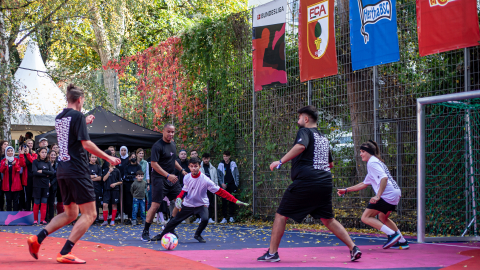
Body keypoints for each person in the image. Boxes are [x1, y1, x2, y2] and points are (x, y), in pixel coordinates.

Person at [27, 84, 121, 264]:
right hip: (77, 170)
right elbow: (86, 144)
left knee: (70, 213)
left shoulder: (60, 117)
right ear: (79, 100)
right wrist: (108, 157)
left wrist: (84, 121)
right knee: (91, 214)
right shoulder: (77, 116)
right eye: (83, 101)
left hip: (62, 170)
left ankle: (36, 239)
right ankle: (65, 251)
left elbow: (68, 132)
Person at [257, 106, 362, 262]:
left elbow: (300, 146)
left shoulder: (304, 132)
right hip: (325, 182)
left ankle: (272, 253)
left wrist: (280, 161)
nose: (298, 120)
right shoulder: (323, 138)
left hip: (307, 181)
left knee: (281, 215)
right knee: (328, 219)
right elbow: (330, 164)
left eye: (299, 117)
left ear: (306, 119)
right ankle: (353, 248)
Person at [150, 157, 249, 243]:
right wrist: (179, 198)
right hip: (188, 204)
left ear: (199, 166)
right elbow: (184, 190)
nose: (194, 168)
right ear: (189, 167)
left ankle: (197, 235)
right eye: (192, 166)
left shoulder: (205, 180)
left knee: (205, 219)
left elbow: (221, 191)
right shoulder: (187, 177)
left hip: (201, 204)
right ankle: (162, 234)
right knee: (174, 221)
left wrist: (235, 200)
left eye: (195, 166)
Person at [337, 140, 407, 249]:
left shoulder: (372, 163)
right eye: (360, 151)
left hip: (387, 195)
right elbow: (364, 184)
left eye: (363, 151)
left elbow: (384, 178)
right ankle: (402, 241)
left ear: (369, 152)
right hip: (395, 193)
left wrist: (378, 195)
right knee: (382, 217)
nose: (360, 154)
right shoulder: (376, 162)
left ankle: (392, 234)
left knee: (365, 217)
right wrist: (346, 190)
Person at [141, 123, 188, 242]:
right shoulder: (157, 146)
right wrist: (167, 175)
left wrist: (182, 170)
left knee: (179, 200)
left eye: (172, 132)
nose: (170, 134)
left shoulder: (173, 144)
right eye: (168, 131)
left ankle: (169, 228)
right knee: (155, 205)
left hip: (172, 179)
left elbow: (173, 161)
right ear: (163, 131)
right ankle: (145, 231)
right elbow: (153, 164)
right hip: (159, 179)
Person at [32, 147, 54, 225]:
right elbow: (34, 173)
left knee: (44, 202)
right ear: (39, 153)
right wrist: (46, 173)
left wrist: (42, 171)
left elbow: (52, 172)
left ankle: (42, 220)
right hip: (37, 185)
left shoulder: (48, 163)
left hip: (45, 185)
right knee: (37, 202)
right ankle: (35, 220)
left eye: (45, 152)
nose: (44, 154)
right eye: (42, 152)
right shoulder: (35, 162)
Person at [217, 151, 239, 223]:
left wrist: (236, 184)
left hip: (232, 185)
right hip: (224, 186)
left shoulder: (233, 164)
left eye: (226, 156)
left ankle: (231, 217)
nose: (225, 158)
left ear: (229, 156)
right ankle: (224, 217)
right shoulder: (220, 165)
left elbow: (236, 174)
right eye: (224, 156)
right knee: (224, 201)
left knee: (232, 201)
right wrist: (222, 184)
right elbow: (219, 175)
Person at [0, 146, 23, 211]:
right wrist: (5, 165)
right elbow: (1, 170)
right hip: (7, 184)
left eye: (11, 151)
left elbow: (19, 170)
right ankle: (8, 216)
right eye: (8, 151)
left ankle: (15, 215)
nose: (10, 152)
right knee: (8, 201)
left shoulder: (17, 160)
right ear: (6, 152)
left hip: (16, 184)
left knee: (16, 201)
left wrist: (15, 165)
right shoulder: (3, 161)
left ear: (13, 152)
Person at [101, 161, 122, 226]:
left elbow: (120, 181)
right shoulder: (106, 170)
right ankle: (105, 221)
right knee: (104, 205)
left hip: (115, 190)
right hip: (107, 190)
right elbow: (103, 179)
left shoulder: (117, 170)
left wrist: (115, 184)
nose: (112, 163)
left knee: (114, 205)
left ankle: (112, 221)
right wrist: (109, 171)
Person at [123, 152, 142, 225]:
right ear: (129, 158)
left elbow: (139, 176)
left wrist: (130, 176)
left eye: (134, 156)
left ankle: (135, 218)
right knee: (128, 203)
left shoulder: (138, 166)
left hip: (137, 187)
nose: (133, 158)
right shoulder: (127, 166)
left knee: (136, 203)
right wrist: (133, 177)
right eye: (132, 156)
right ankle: (129, 218)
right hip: (128, 187)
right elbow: (125, 177)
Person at [200, 153, 218, 224]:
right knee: (202, 203)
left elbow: (215, 178)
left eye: (207, 158)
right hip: (202, 188)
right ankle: (202, 218)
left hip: (210, 188)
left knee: (210, 203)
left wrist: (215, 187)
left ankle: (210, 217)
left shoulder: (213, 168)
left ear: (209, 159)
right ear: (202, 159)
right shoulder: (200, 168)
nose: (206, 160)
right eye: (204, 159)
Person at [21, 141, 37, 211]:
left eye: (31, 143)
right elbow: (22, 164)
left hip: (35, 178)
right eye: (28, 144)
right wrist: (22, 155)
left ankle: (35, 213)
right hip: (27, 178)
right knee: (28, 197)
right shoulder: (22, 155)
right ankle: (27, 212)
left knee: (34, 197)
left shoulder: (34, 154)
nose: (29, 145)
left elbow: (33, 162)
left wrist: (27, 154)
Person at [88, 154, 103, 224]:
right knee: (89, 204)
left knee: (96, 204)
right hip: (88, 188)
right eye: (92, 157)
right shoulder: (87, 166)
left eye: (95, 157)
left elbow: (100, 178)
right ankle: (89, 219)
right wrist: (94, 176)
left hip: (97, 188)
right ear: (89, 158)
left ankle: (96, 219)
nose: (94, 159)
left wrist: (91, 178)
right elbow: (86, 176)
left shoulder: (98, 167)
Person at [46, 151, 58, 222]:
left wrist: (51, 183)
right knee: (45, 202)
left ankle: (52, 218)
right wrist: (48, 182)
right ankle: (45, 218)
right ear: (49, 155)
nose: (53, 156)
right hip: (46, 184)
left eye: (54, 155)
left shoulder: (57, 165)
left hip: (53, 186)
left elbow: (57, 176)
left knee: (51, 202)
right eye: (52, 155)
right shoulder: (47, 163)